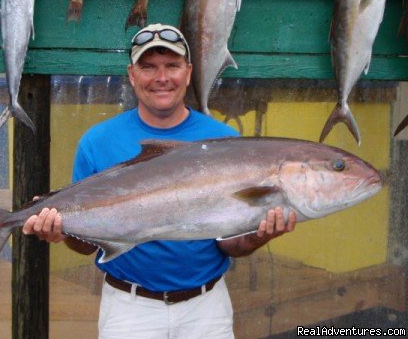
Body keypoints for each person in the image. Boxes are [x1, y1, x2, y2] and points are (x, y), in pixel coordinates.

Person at [23, 23, 296, 339]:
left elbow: (228, 243)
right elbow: (85, 247)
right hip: (128, 310)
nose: (162, 77)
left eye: (172, 66)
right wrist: (61, 231)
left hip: (206, 311)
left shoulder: (226, 141)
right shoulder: (97, 142)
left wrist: (259, 234)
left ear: (189, 72)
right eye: (148, 67)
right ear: (131, 74)